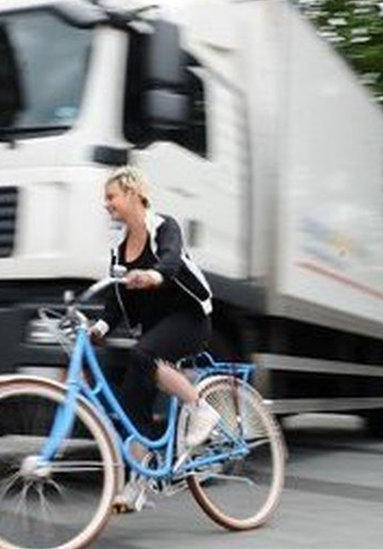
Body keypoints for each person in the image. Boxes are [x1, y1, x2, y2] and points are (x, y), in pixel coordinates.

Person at [89, 166, 221, 512]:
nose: (107, 204)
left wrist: (152, 275)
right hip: (156, 329)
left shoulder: (164, 226)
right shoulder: (119, 251)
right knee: (133, 400)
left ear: (132, 193)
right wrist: (101, 327)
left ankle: (201, 410)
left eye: (111, 196)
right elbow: (115, 300)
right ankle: (137, 485)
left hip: (190, 319)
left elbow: (172, 261)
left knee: (144, 354)